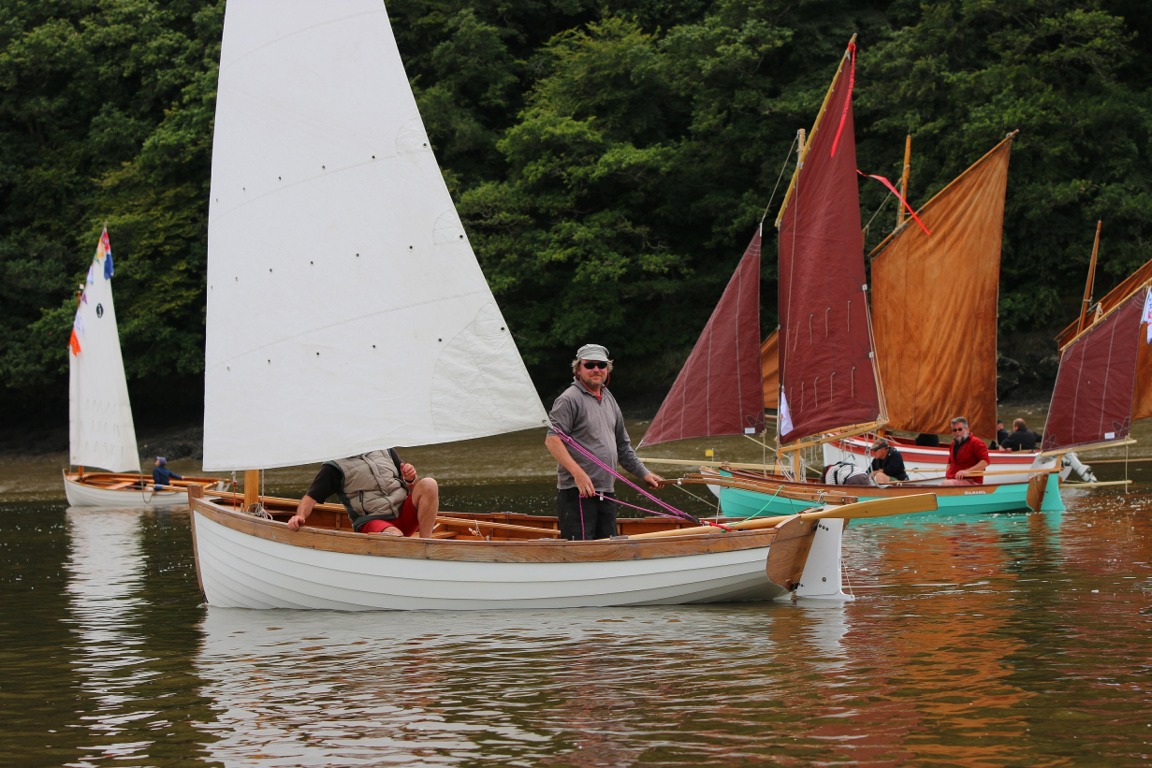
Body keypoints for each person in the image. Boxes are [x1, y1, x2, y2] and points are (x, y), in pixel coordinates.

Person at [545, 343, 663, 540]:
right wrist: (578, 474)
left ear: (608, 369)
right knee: (581, 553)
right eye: (589, 365)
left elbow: (623, 447)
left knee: (608, 549)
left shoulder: (609, 399)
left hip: (606, 491)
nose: (596, 370)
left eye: (601, 365)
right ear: (578, 369)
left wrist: (645, 474)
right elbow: (552, 440)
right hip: (577, 493)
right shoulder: (569, 399)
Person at [287, 449, 438, 537]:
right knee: (394, 536)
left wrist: (410, 479)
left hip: (404, 515)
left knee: (429, 484)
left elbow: (414, 486)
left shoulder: (386, 450)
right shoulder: (334, 467)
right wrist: (300, 516)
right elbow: (310, 497)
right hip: (374, 521)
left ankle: (426, 546)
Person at [943, 416, 990, 485]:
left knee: (946, 484)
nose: (957, 432)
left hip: (971, 481)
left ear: (967, 429)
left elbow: (985, 461)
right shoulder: (953, 444)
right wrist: (948, 474)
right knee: (945, 483)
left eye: (960, 429)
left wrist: (967, 471)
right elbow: (950, 463)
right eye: (954, 430)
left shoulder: (976, 442)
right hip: (954, 479)